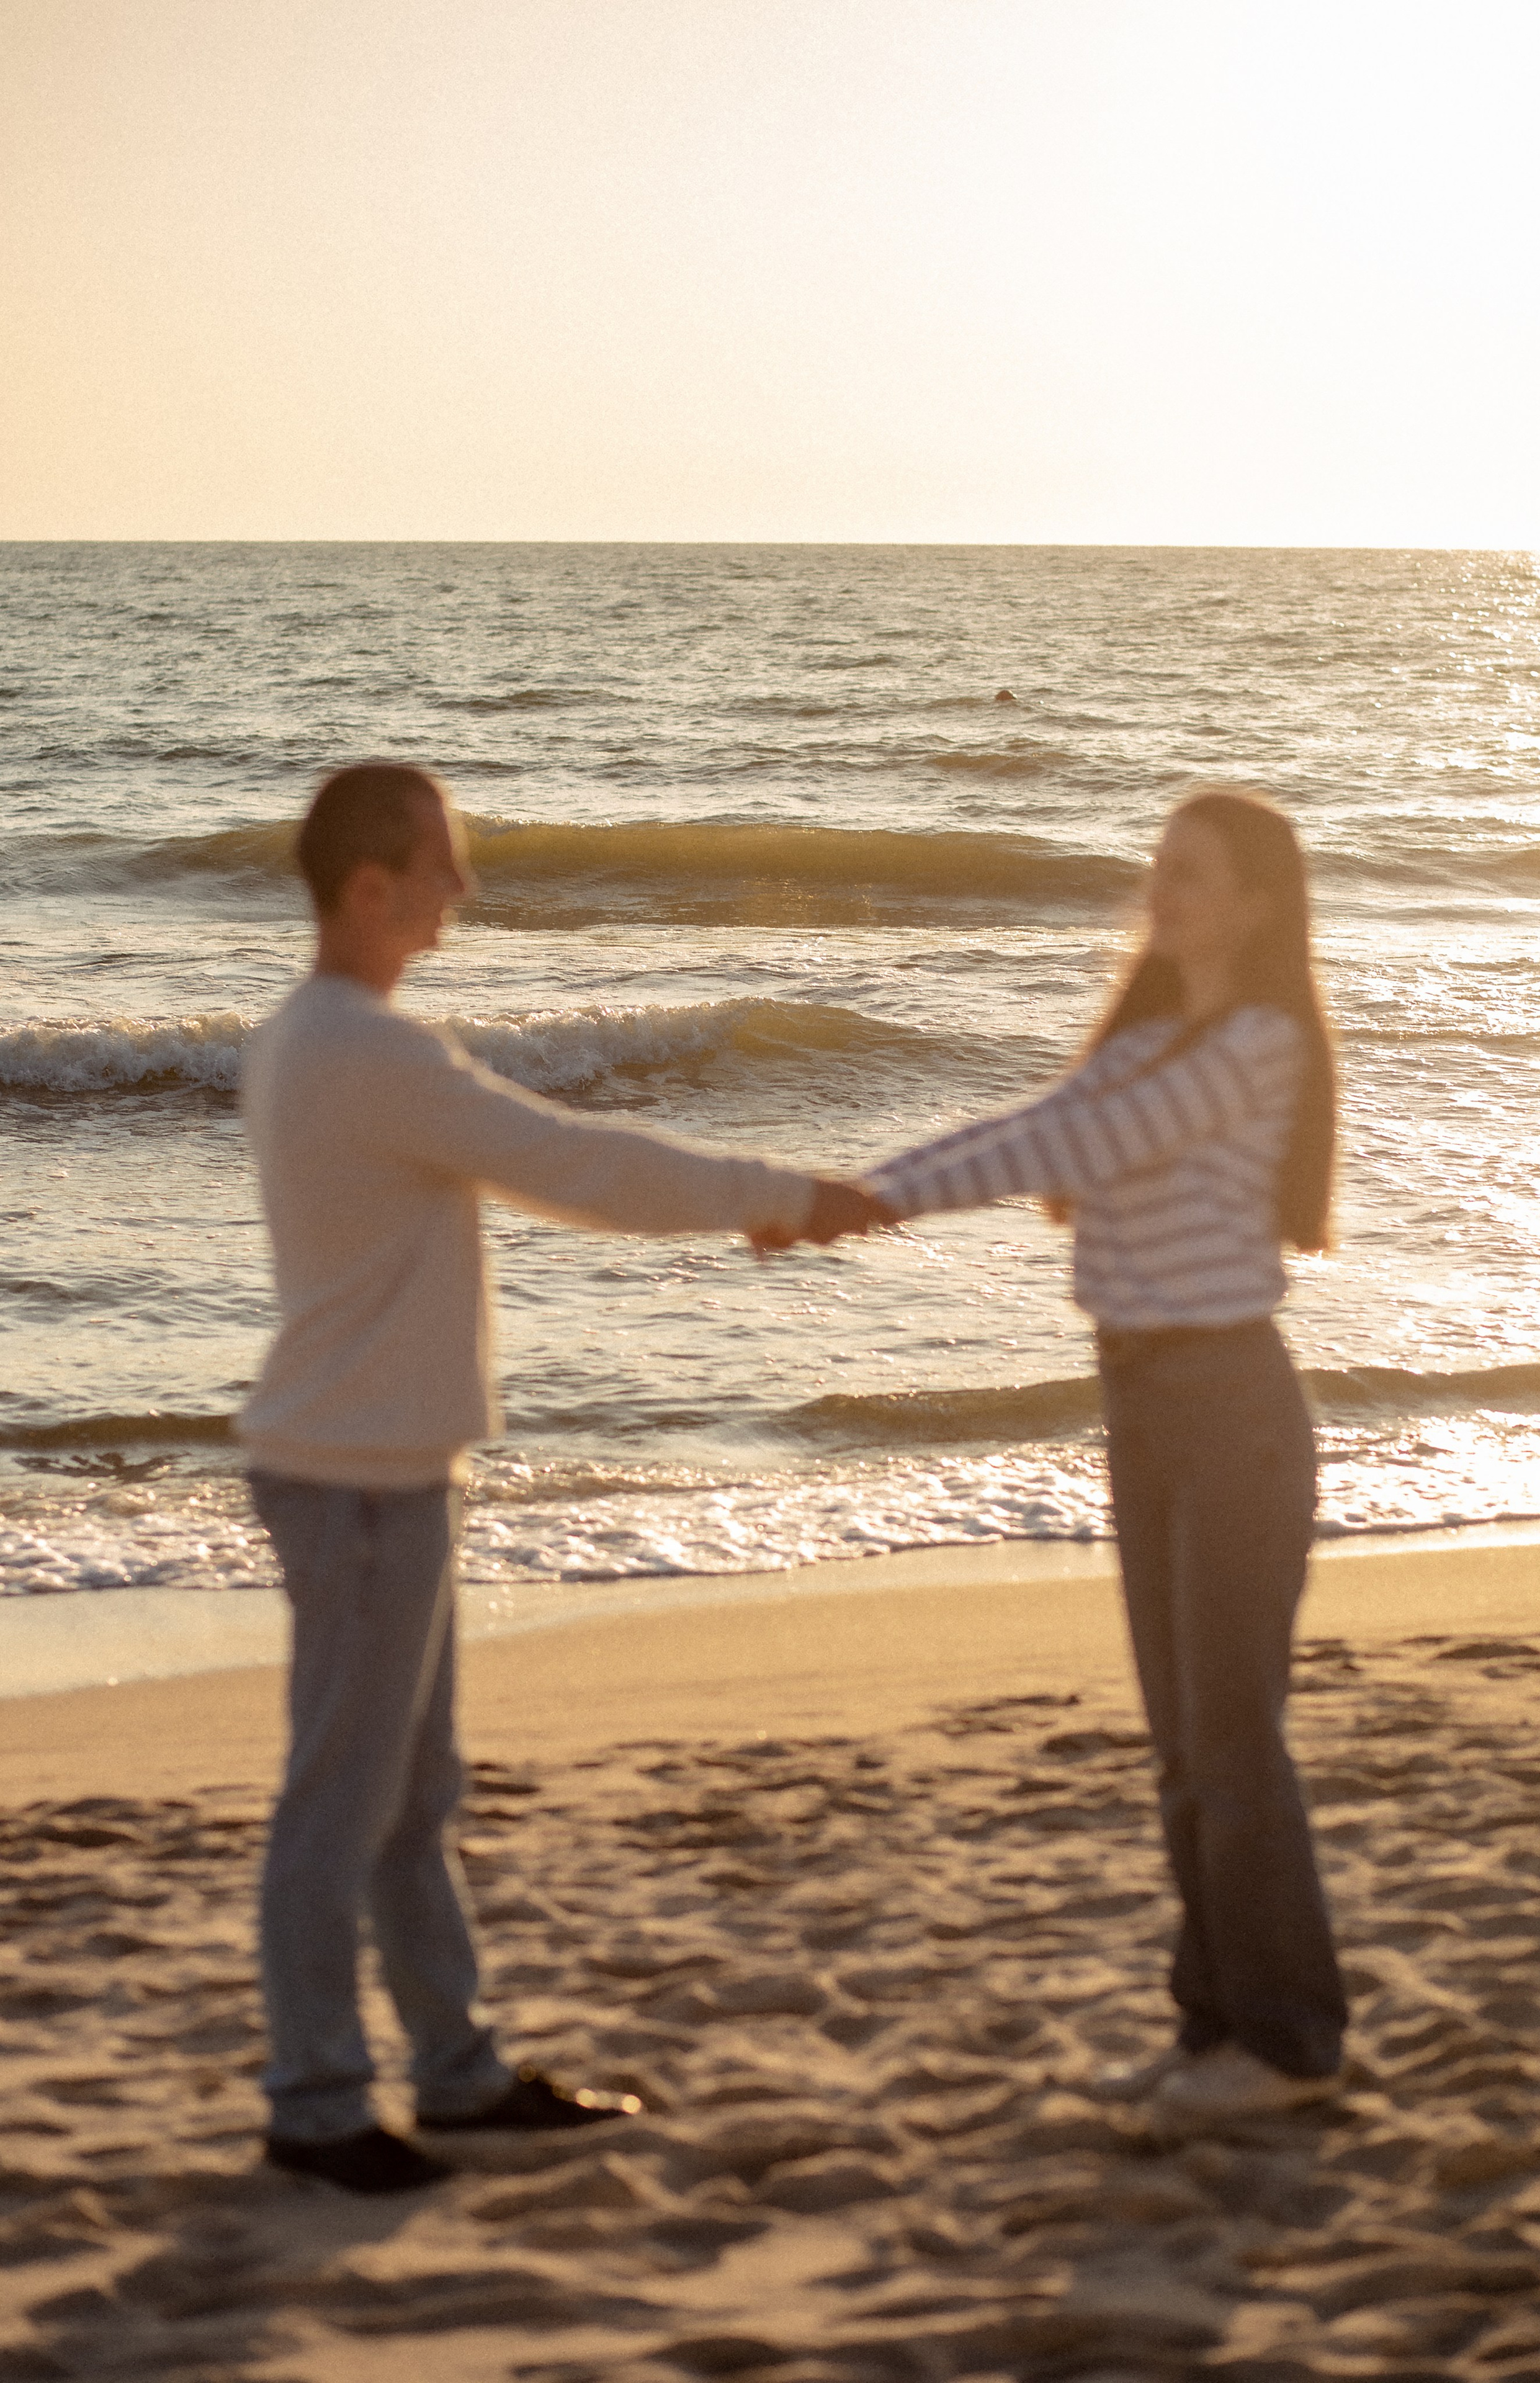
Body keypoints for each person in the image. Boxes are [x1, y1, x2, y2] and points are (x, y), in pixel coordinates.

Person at [240, 762, 879, 2194]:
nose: (464, 887)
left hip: (382, 1470)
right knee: (339, 1808)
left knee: (410, 1804)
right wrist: (777, 1196)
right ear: (368, 888)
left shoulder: (318, 1037)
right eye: (442, 862)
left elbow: (555, 1169)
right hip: (352, 1483)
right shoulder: (357, 1051)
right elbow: (577, 1167)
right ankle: (317, 2107)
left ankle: (455, 2079)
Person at [862, 786, 1347, 2126]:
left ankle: (1292, 2044)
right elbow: (1028, 1130)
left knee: (1233, 1744)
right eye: (1159, 867)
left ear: (1252, 902)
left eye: (1190, 872)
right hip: (1139, 1404)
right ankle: (1212, 2035)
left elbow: (1062, 1145)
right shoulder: (1141, 1043)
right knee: (1181, 1749)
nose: (1162, 889)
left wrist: (872, 1200)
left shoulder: (1251, 1046)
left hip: (1228, 1405)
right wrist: (863, 1188)